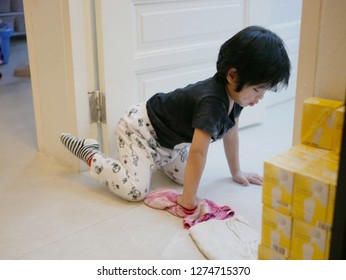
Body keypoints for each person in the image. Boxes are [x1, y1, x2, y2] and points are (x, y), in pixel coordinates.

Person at [61, 25, 291, 210]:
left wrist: (236, 172)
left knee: (185, 179)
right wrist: (187, 201)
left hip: (169, 141)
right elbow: (198, 152)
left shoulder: (238, 99)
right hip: (140, 131)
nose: (260, 98)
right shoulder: (212, 102)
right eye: (258, 90)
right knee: (135, 192)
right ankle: (92, 154)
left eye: (264, 92)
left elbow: (232, 135)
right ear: (233, 76)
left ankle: (157, 160)